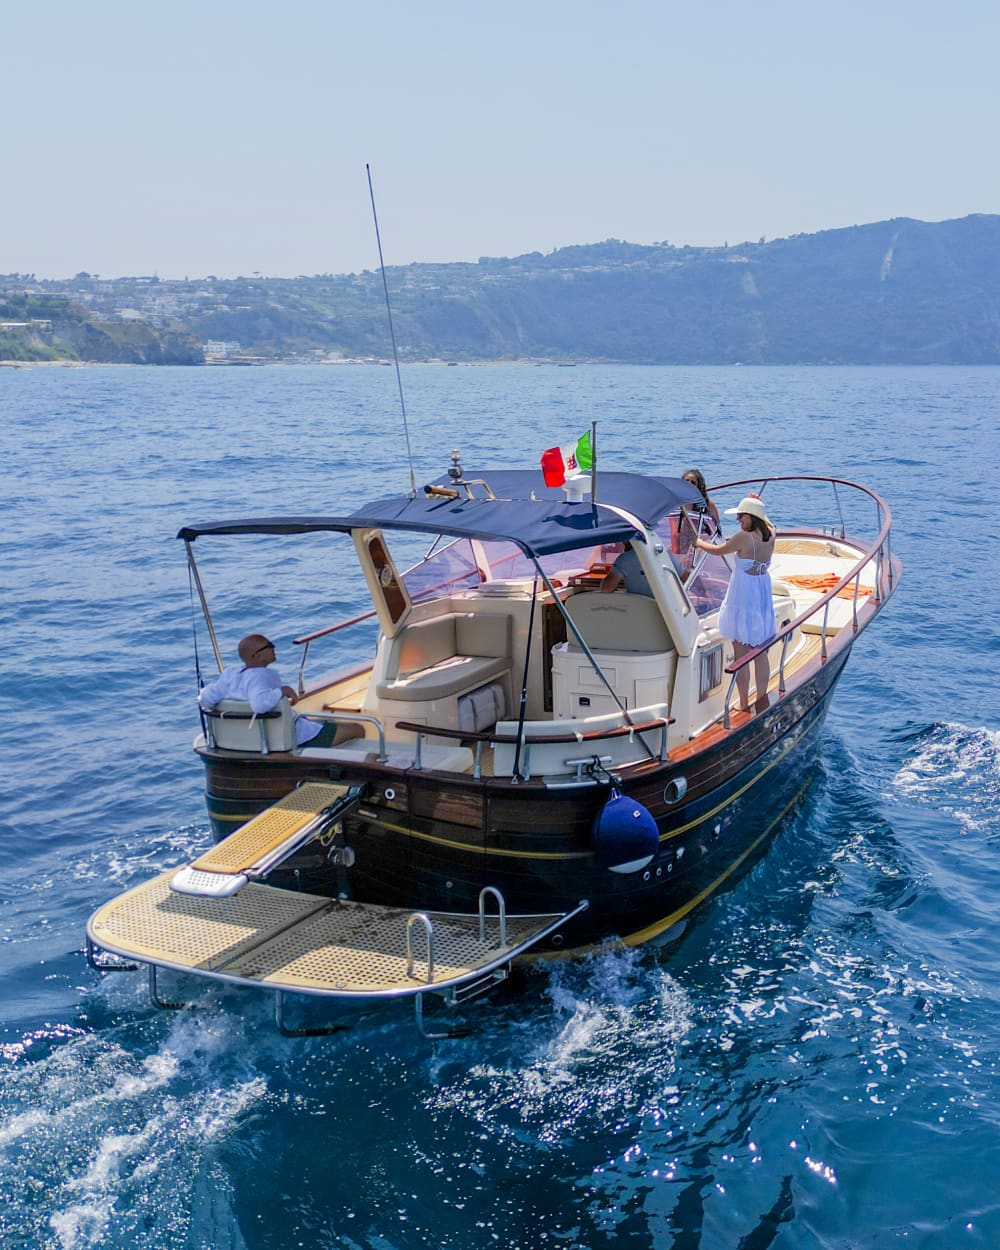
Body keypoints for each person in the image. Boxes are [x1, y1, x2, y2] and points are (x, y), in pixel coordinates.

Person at [696, 494, 776, 713]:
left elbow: (718, 550)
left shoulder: (743, 538)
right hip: (761, 590)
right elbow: (766, 521)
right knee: (759, 650)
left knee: (741, 650)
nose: (739, 519)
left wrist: (699, 542)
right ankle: (761, 698)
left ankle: (743, 704)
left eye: (742, 516)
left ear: (752, 516)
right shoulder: (771, 534)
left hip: (743, 593)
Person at [198, 633, 336, 747]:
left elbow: (205, 699)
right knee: (354, 727)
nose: (274, 647)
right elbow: (260, 704)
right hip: (291, 740)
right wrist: (283, 691)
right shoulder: (259, 676)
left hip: (248, 742)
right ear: (255, 655)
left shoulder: (230, 675)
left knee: (319, 720)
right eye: (269, 646)